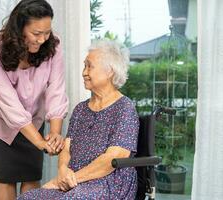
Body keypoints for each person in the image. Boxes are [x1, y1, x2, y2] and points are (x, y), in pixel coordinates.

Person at [17, 39, 139, 200]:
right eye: (84, 66)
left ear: (110, 71)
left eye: (90, 66)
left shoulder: (124, 108)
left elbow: (114, 158)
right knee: (28, 198)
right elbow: (66, 149)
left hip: (108, 183)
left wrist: (70, 179)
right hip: (73, 181)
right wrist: (62, 171)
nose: (84, 72)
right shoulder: (81, 109)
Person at [0, 0, 68, 199]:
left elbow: (56, 88)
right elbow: (8, 102)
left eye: (47, 32)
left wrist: (54, 132)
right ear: (19, 28)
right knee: (4, 176)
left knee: (30, 174)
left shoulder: (54, 46)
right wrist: (40, 142)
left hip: (34, 116)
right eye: (36, 33)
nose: (42, 39)